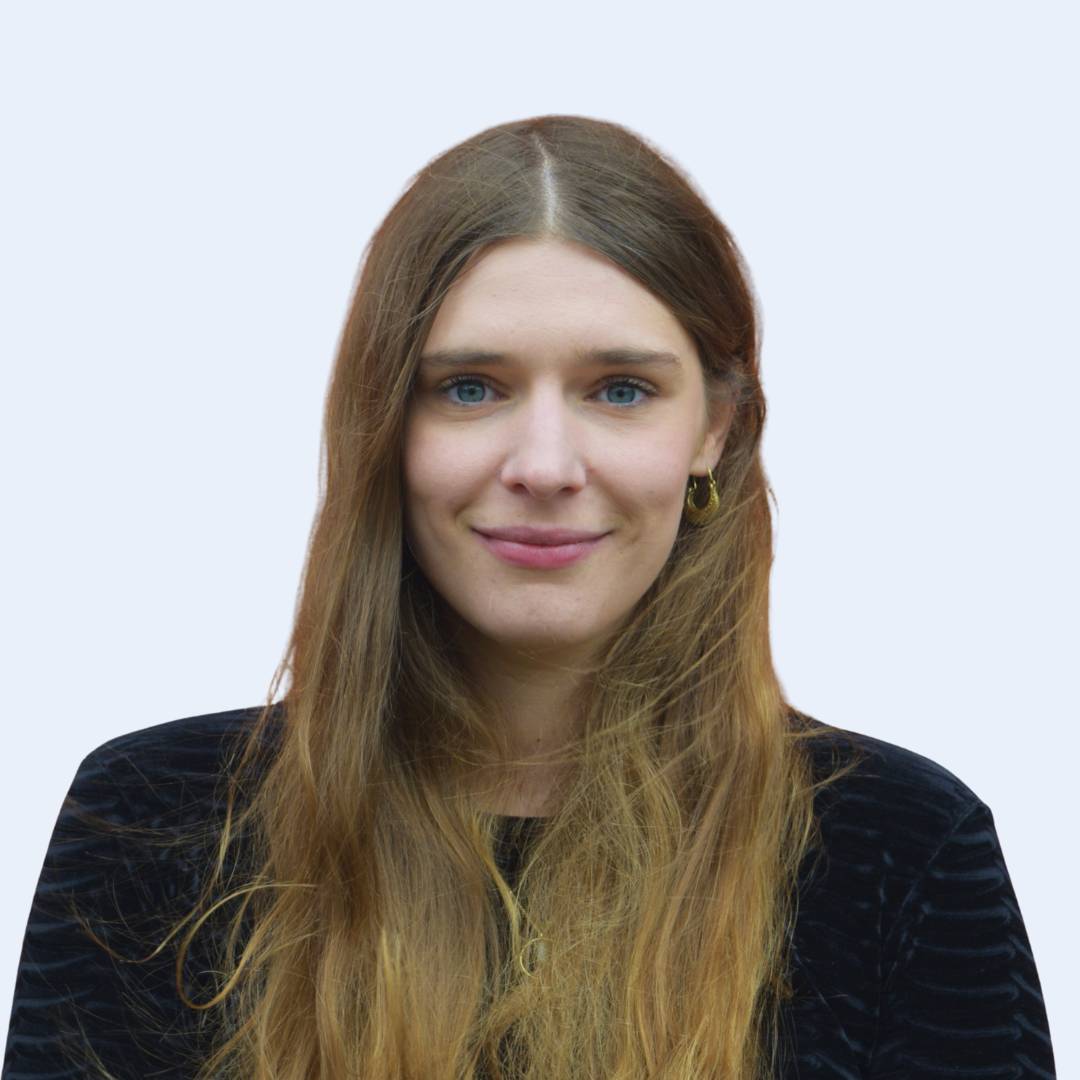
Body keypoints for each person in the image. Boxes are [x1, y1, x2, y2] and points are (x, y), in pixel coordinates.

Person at [3, 115, 1056, 1079]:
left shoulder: (901, 853)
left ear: (715, 427)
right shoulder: (151, 821)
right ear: (384, 423)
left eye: (621, 390)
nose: (545, 465)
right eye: (471, 388)